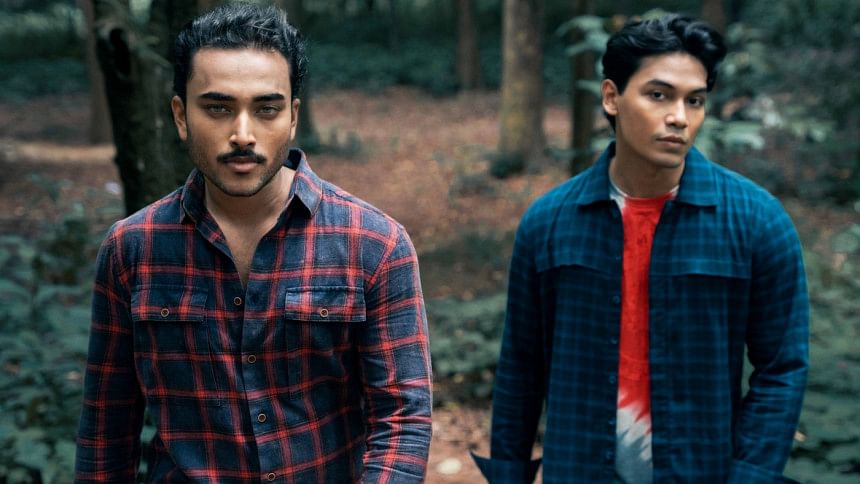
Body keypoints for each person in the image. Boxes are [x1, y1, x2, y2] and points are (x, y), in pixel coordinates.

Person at [75, 4, 432, 482]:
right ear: (181, 116)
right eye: (218, 108)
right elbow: (106, 431)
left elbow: (402, 420)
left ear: (292, 118)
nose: (242, 135)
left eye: (266, 109)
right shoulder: (131, 250)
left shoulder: (375, 245)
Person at [473, 14, 808, 483]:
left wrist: (750, 475)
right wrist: (509, 473)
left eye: (695, 100)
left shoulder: (756, 220)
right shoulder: (549, 222)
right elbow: (521, 366)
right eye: (659, 95)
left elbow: (782, 369)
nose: (680, 117)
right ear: (612, 97)